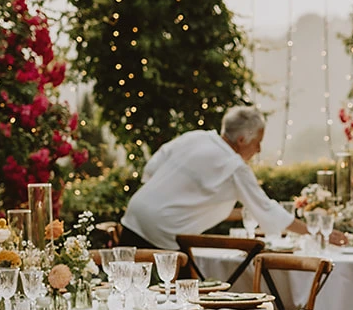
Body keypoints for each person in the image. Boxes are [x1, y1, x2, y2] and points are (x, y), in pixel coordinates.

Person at [120, 105, 323, 249]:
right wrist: (315, 232)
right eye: (257, 142)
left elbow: (152, 167)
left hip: (134, 215)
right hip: (161, 232)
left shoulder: (197, 137)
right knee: (181, 298)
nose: (259, 149)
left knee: (122, 292)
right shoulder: (235, 167)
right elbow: (266, 209)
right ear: (242, 139)